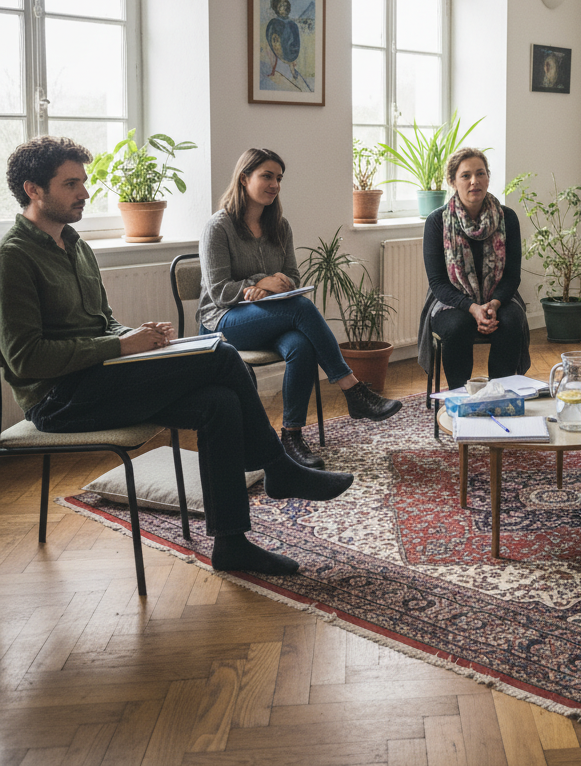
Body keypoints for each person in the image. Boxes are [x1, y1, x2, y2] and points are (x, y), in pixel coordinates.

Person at [0, 136, 355, 576]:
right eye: (71, 184)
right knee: (223, 355)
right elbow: (25, 360)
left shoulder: (76, 246)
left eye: (84, 182)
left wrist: (136, 335)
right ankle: (279, 468)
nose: (85, 193)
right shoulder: (12, 257)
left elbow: (102, 322)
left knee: (219, 404)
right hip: (59, 401)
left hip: (101, 376)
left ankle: (231, 544)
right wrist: (119, 345)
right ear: (33, 189)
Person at [199, 148, 401, 470]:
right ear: (244, 178)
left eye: (279, 178)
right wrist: (261, 281)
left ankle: (291, 438)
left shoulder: (280, 225)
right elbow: (220, 291)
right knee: (301, 309)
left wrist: (270, 285)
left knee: (302, 345)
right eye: (267, 176)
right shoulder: (219, 227)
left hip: (270, 316)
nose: (275, 184)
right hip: (224, 321)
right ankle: (352, 389)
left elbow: (292, 277)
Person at [417, 147, 530, 389]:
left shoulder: (507, 218)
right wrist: (472, 308)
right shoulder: (437, 222)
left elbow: (512, 275)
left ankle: (500, 394)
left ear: (488, 177)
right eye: (466, 175)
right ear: (452, 181)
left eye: (480, 174)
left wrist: (494, 304)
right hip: (450, 300)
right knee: (459, 326)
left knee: (511, 321)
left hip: (500, 297)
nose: (474, 181)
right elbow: (437, 283)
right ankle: (460, 397)